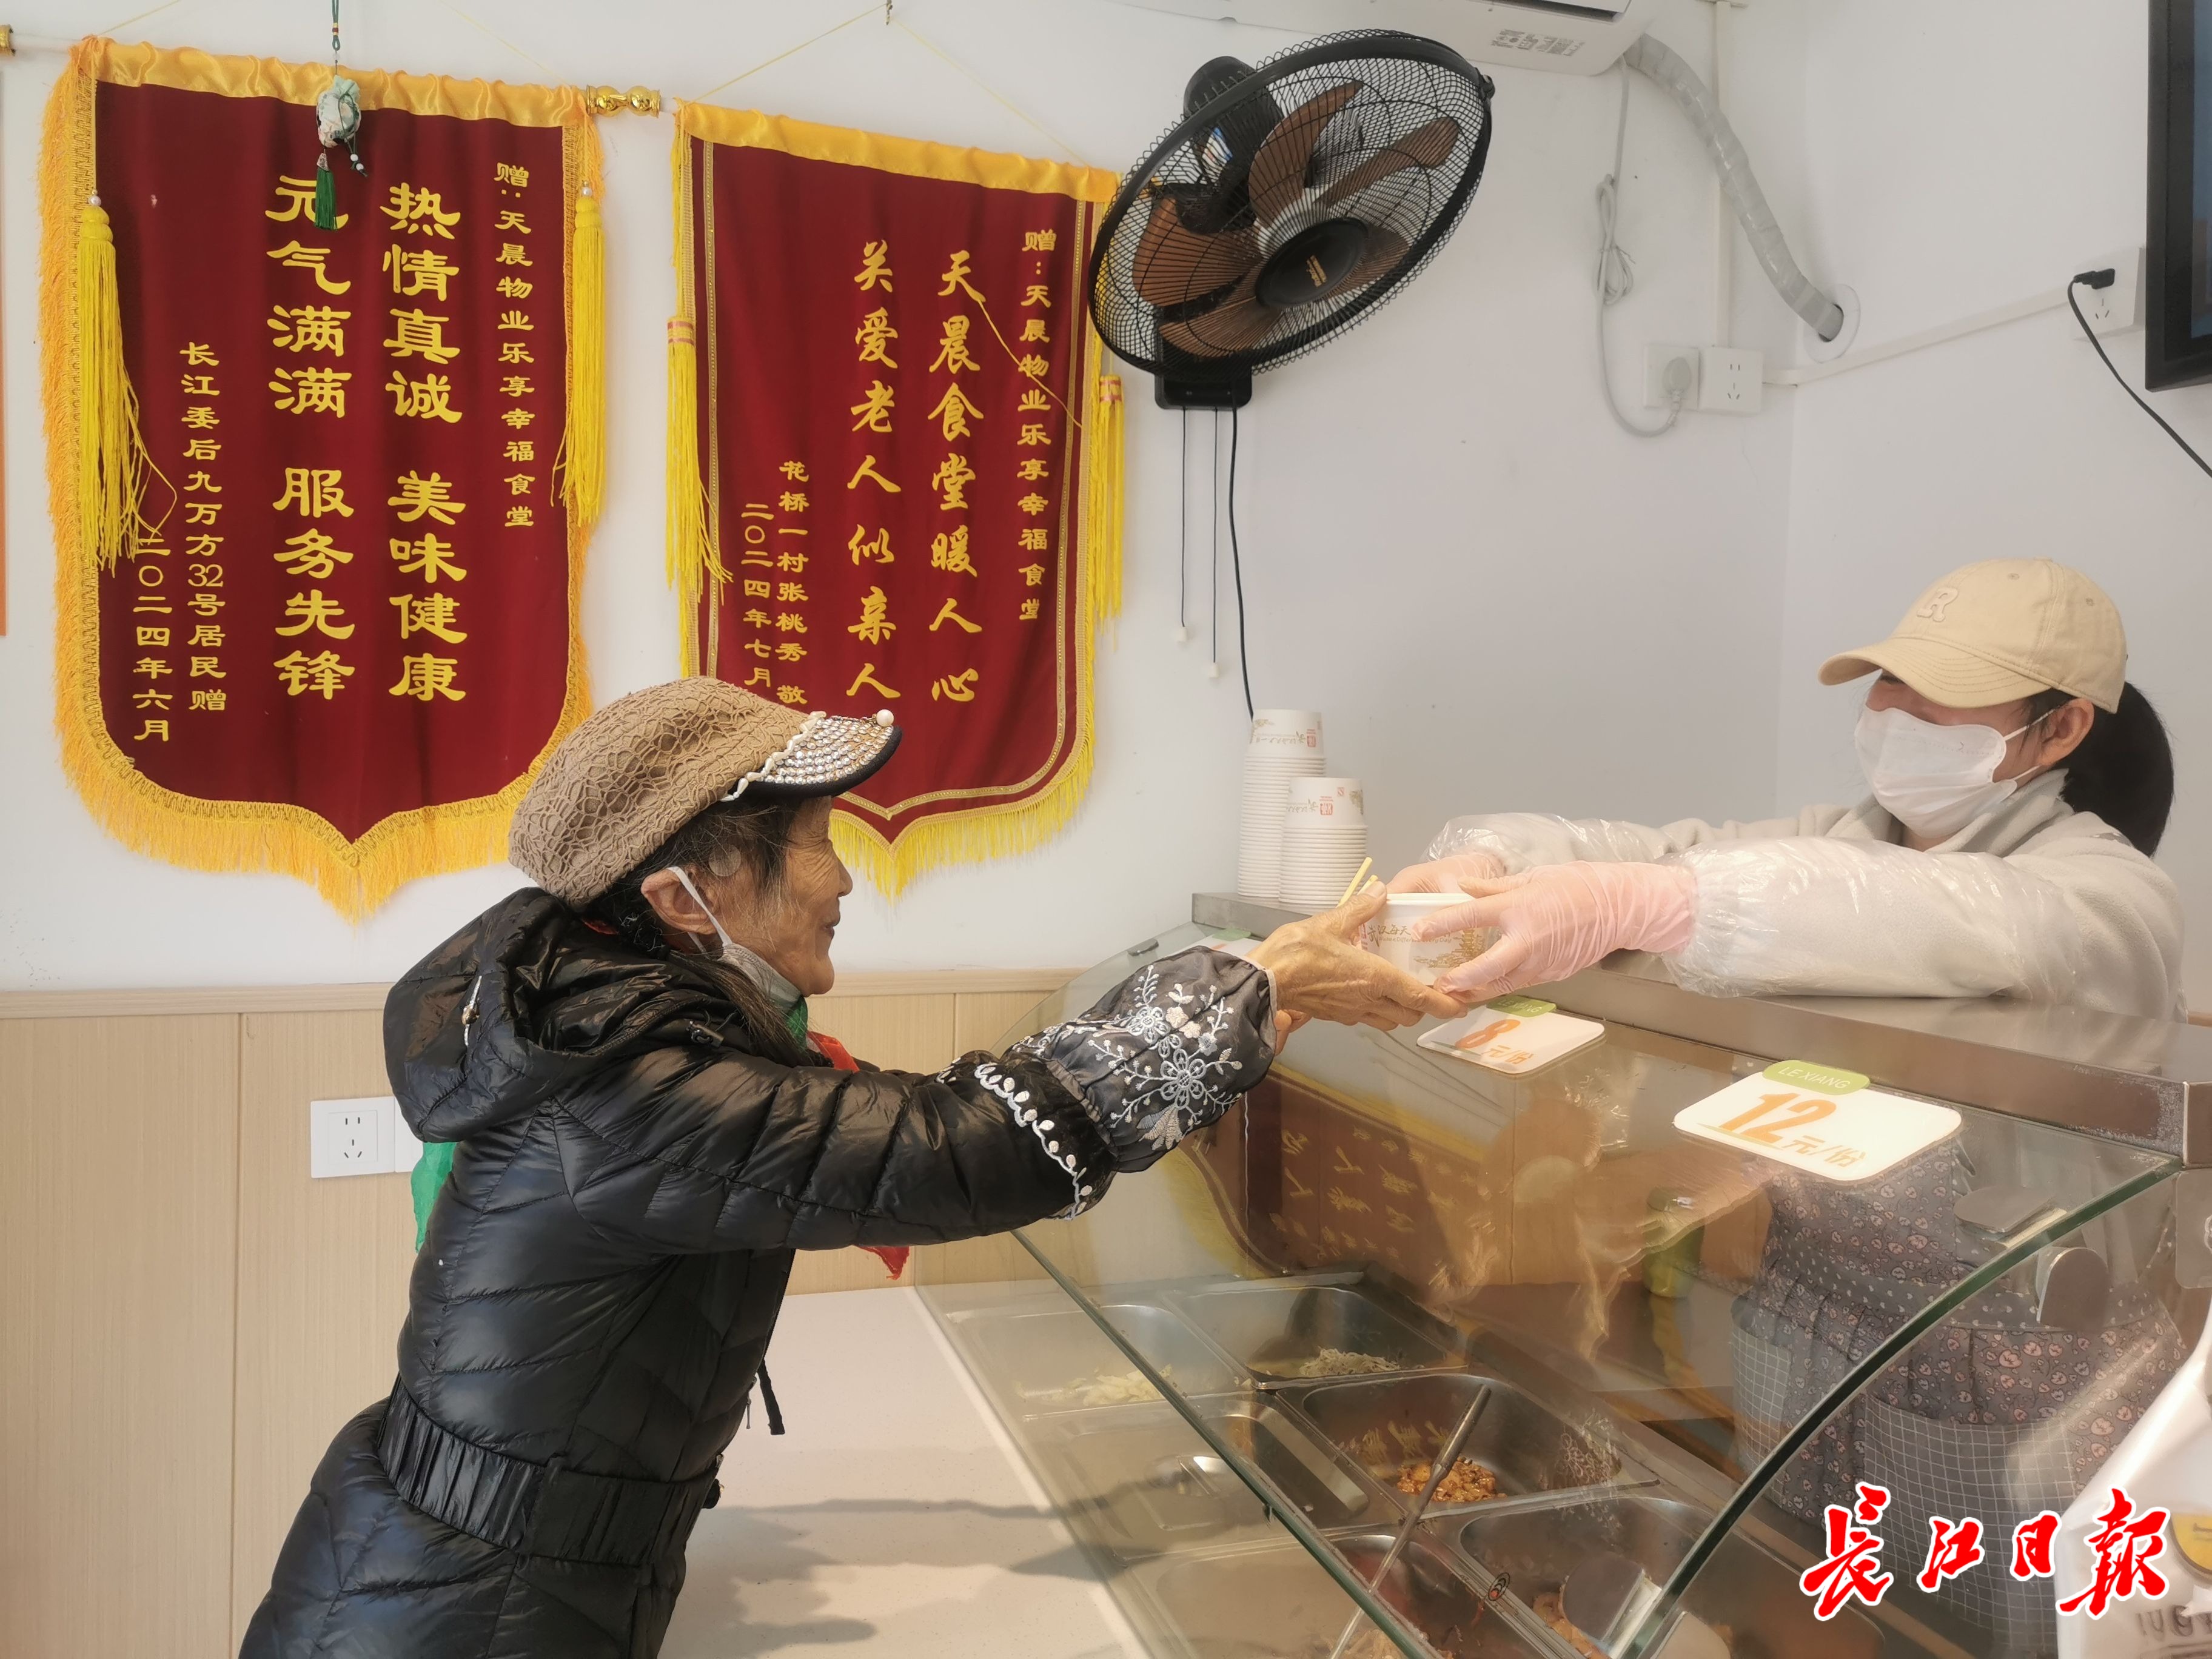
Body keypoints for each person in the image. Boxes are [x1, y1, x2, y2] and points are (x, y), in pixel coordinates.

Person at [241, 678, 1452, 1659]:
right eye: (816, 840)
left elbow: (890, 1122)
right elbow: (958, 1145)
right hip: (465, 1614)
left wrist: (1244, 1013)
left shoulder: (611, 1015)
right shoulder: (627, 1090)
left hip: (492, 1572)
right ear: (683, 896)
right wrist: (1250, 985)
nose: (842, 878)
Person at [1392, 558, 2182, 1019]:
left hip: (2020, 1255)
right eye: (1891, 679)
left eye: (1945, 688)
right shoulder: (1837, 838)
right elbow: (1659, 852)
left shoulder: (2114, 895)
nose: (1898, 710)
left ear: (2061, 727)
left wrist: (1657, 903)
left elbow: (1972, 916)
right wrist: (1496, 860)